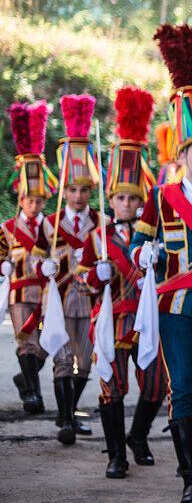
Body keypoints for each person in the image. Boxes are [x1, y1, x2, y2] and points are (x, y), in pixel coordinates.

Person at [131, 23, 192, 503]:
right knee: (184, 390)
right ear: (182, 155)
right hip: (174, 304)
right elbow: (137, 243)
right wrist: (142, 254)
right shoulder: (161, 198)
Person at [77, 86, 168, 478]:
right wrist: (92, 276)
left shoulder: (156, 235)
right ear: (110, 200)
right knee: (111, 389)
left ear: (141, 201)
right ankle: (116, 453)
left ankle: (138, 437)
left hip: (146, 319)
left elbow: (168, 275)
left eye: (133, 199)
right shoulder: (97, 238)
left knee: (155, 387)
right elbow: (81, 280)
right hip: (110, 320)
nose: (126, 205)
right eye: (120, 199)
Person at [36, 94, 101, 444]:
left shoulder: (101, 221)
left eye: (83, 189)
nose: (77, 196)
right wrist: (40, 263)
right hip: (59, 299)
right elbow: (32, 257)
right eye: (72, 189)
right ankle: (65, 422)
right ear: (64, 189)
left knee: (85, 363)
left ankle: (70, 413)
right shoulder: (48, 223)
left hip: (89, 300)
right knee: (62, 359)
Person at [3, 101, 53, 415]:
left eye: (39, 200)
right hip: (20, 291)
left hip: (46, 294)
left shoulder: (51, 224)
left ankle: (26, 379)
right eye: (30, 199)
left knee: (48, 344)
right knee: (26, 342)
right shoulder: (6, 228)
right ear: (21, 198)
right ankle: (34, 395)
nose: (35, 205)